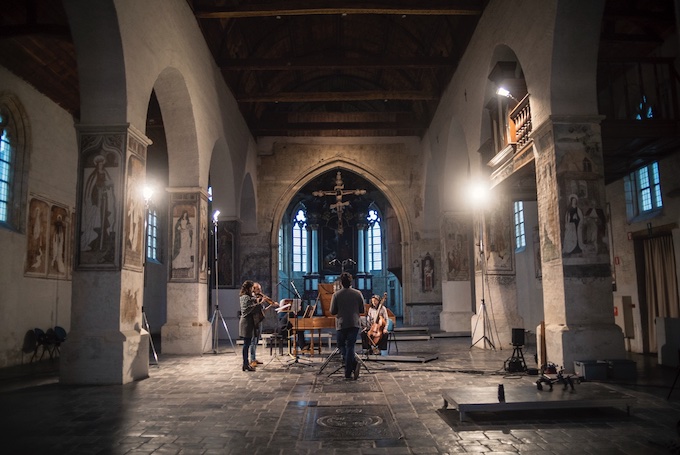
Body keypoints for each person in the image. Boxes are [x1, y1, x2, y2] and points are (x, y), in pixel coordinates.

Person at [330, 272, 365, 380]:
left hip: (342, 323)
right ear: (351, 282)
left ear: (341, 283)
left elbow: (332, 311)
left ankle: (349, 369)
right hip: (354, 323)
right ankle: (351, 365)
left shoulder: (336, 294)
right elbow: (362, 310)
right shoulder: (358, 293)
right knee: (350, 346)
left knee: (341, 346)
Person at [249, 282, 278, 368]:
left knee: (257, 340)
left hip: (259, 320)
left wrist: (271, 305)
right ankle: (252, 360)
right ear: (253, 289)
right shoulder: (252, 297)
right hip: (253, 321)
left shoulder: (259, 297)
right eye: (258, 289)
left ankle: (254, 358)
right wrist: (261, 301)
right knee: (253, 341)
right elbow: (253, 308)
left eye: (260, 289)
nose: (260, 291)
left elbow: (263, 311)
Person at [238, 280, 262, 372]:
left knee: (247, 344)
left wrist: (257, 300)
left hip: (249, 323)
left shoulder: (247, 297)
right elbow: (247, 309)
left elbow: (251, 301)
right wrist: (258, 304)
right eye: (252, 288)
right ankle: (245, 364)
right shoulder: (244, 297)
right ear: (248, 288)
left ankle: (246, 364)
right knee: (246, 344)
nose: (253, 290)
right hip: (246, 323)